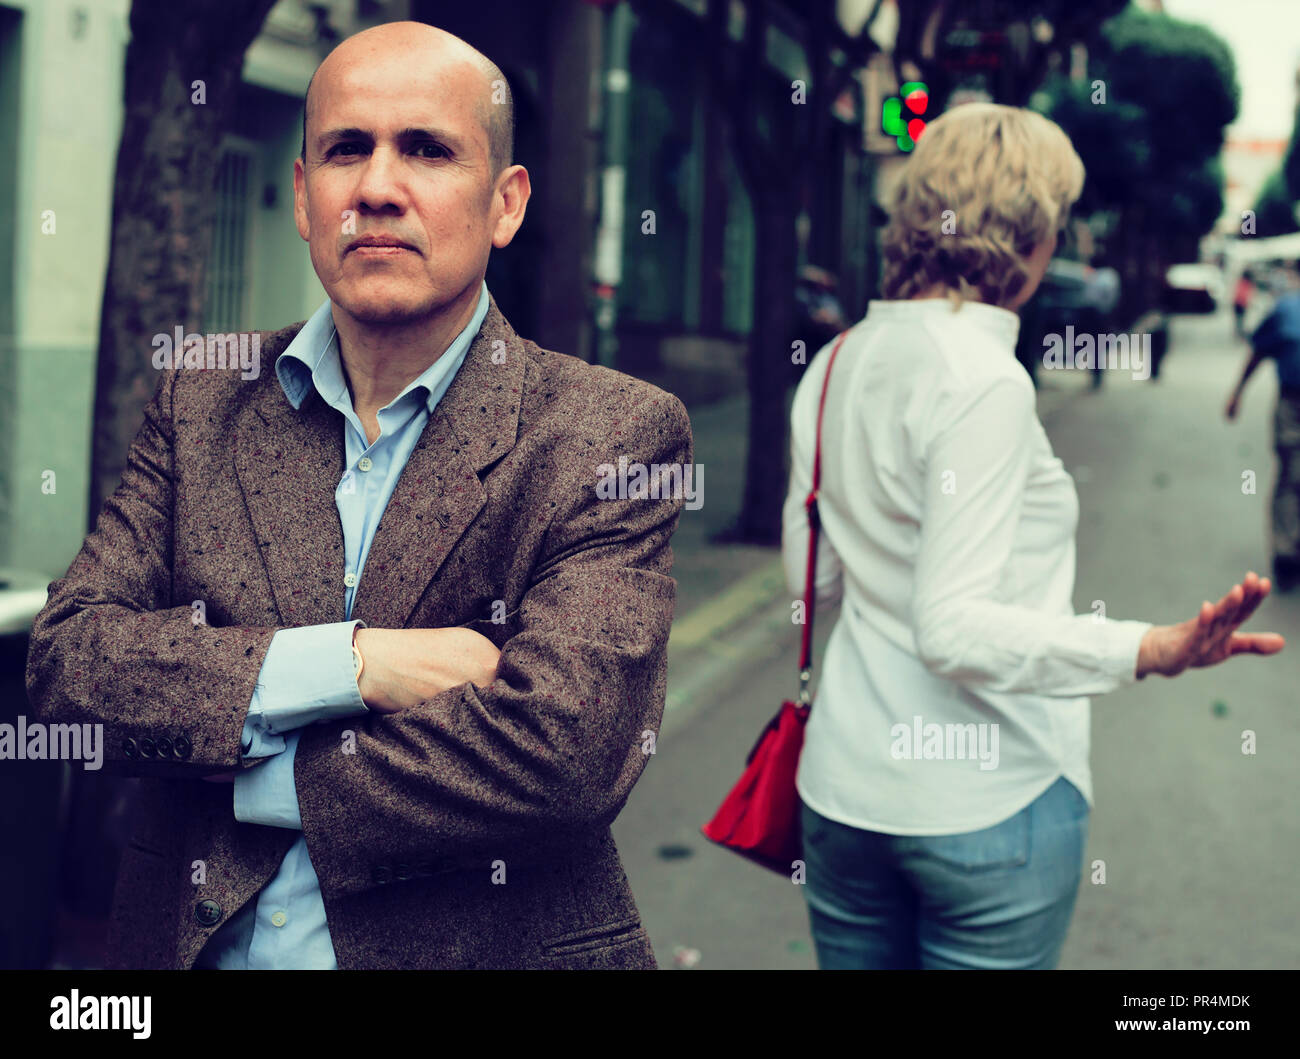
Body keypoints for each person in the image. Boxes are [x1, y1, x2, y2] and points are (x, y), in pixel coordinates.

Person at [25, 21, 692, 970]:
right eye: (347, 149)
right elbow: (71, 670)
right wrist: (355, 664)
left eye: (426, 148)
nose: (378, 187)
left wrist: (241, 757)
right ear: (303, 197)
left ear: (505, 204)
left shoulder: (607, 432)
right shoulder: (202, 395)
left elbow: (564, 751)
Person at [781, 103, 1285, 971]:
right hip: (988, 804)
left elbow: (812, 584)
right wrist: (1150, 647)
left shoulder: (836, 362)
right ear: (1029, 238)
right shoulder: (983, 380)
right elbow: (952, 626)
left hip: (844, 799)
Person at [1226, 267, 1300, 592]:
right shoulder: (1286, 309)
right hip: (1293, 405)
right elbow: (1258, 352)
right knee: (1291, 474)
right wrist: (1237, 392)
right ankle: (1286, 551)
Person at [1233, 270, 1255, 339]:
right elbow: (1244, 294)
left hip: (1237, 303)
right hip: (1241, 304)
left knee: (1239, 319)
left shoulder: (1241, 282)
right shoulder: (1247, 283)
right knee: (1240, 319)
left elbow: (1237, 293)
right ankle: (1239, 333)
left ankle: (1238, 333)